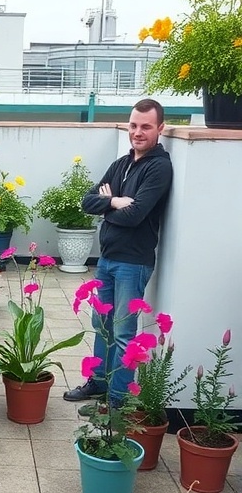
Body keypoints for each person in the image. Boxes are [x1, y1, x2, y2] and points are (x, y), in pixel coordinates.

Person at [63, 98, 173, 409]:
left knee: (124, 332)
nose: (138, 132)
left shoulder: (159, 168)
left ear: (160, 129)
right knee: (101, 326)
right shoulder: (121, 164)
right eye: (134, 125)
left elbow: (136, 216)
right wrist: (114, 203)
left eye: (146, 127)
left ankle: (117, 400)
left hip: (132, 263)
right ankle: (98, 383)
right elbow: (87, 201)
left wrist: (113, 207)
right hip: (107, 259)